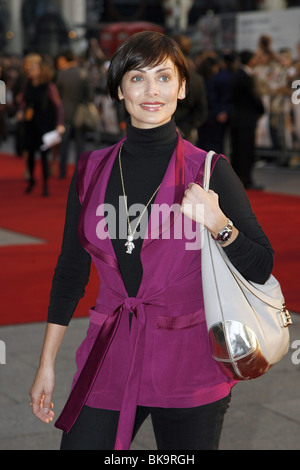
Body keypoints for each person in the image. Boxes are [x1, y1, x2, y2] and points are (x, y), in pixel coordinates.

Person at [29, 32, 274, 450]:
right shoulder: (92, 168)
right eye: (137, 78)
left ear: (181, 87)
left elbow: (261, 265)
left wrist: (219, 223)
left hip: (190, 360)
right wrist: (46, 363)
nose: (151, 91)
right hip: (110, 353)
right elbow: (71, 271)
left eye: (163, 77)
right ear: (119, 88)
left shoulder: (210, 170)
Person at [17, 54, 64, 196]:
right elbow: (23, 100)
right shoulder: (27, 85)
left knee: (44, 155)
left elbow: (58, 105)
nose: (30, 71)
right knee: (30, 153)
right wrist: (20, 111)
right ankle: (31, 180)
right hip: (30, 123)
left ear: (40, 71)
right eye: (29, 69)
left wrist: (60, 123)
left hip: (44, 124)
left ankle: (45, 185)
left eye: (33, 69)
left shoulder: (49, 86)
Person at [230, 50, 265, 189]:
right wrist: (262, 109)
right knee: (246, 150)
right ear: (251, 60)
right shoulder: (247, 77)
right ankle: (246, 180)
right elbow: (254, 97)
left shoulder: (235, 74)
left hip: (236, 118)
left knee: (237, 150)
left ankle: (236, 180)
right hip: (247, 119)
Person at [55, 50, 91, 179]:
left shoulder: (60, 74)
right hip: (80, 113)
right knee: (80, 145)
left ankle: (62, 172)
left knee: (63, 144)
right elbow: (90, 95)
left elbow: (56, 95)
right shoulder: (83, 74)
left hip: (65, 112)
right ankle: (79, 173)